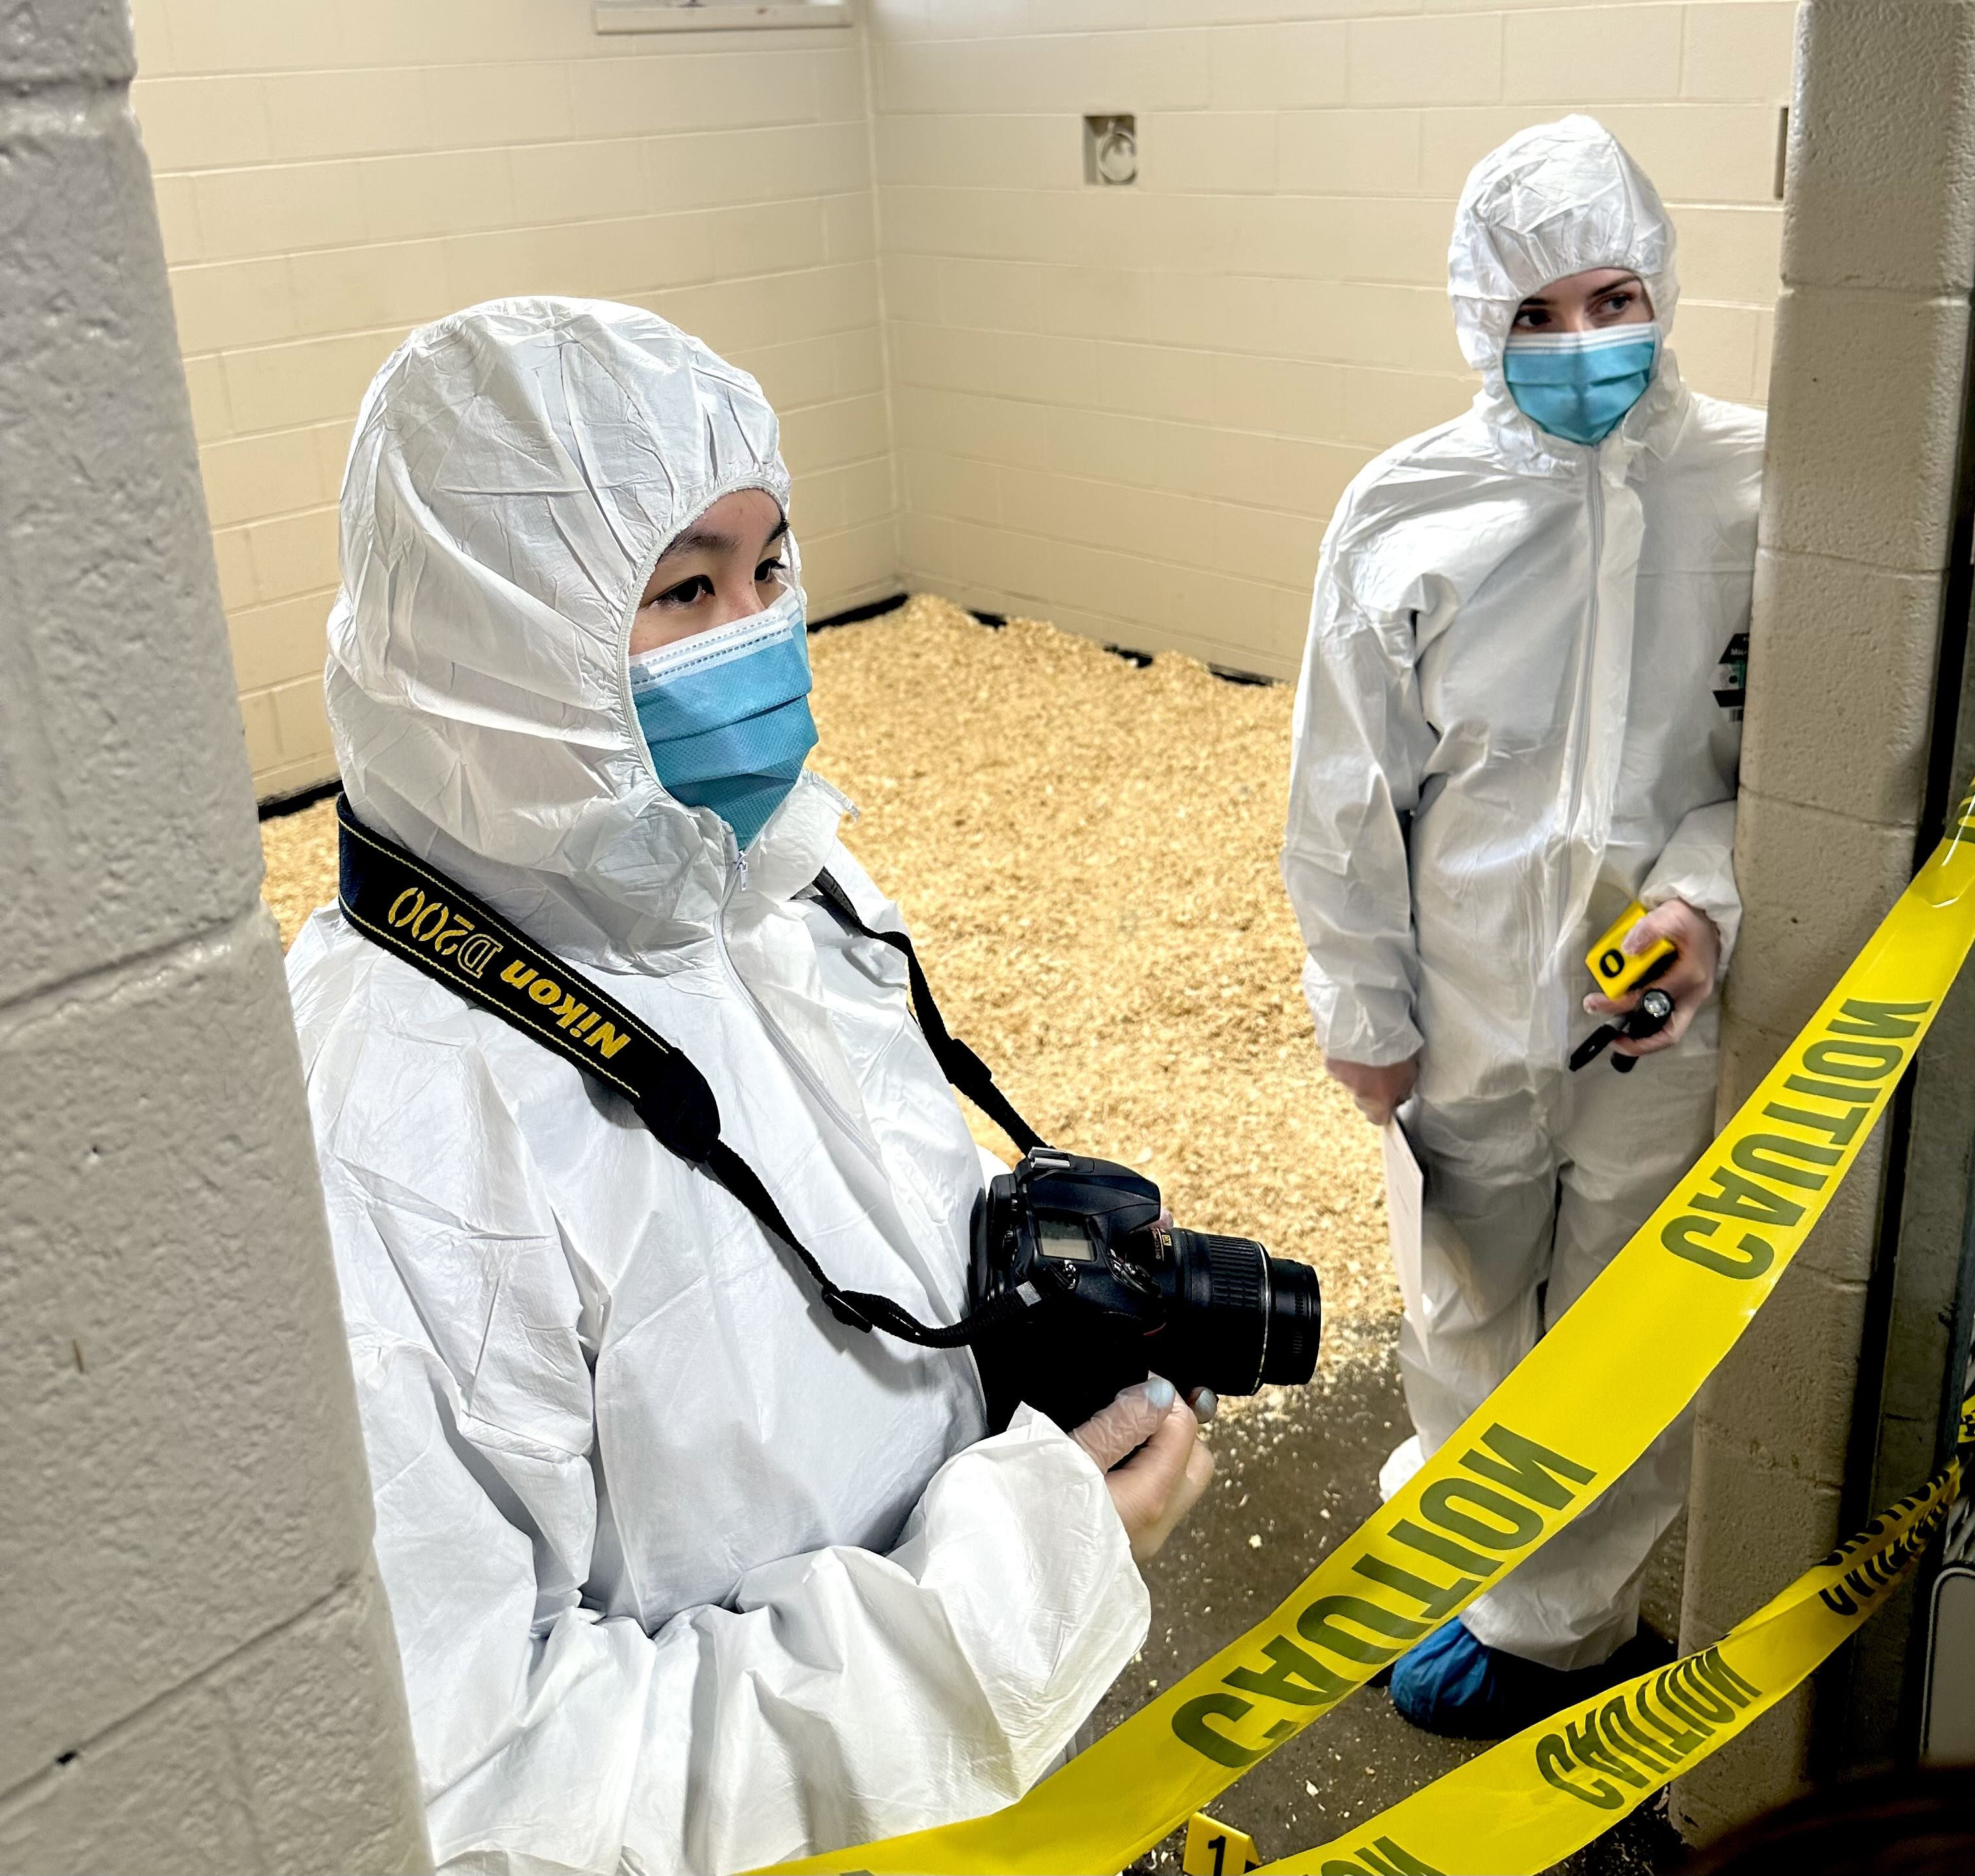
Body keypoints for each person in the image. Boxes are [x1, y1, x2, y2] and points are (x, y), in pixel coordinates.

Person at [287, 297, 1212, 1873]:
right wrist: (995, 1613)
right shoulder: (389, 1132)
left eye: (770, 568)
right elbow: (481, 1791)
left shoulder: (766, 884)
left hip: (972, 1793)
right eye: (683, 590)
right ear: (493, 644)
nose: (761, 637)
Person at [1281, 118, 1762, 1737]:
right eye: (1535, 314)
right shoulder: (1409, 507)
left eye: (1613, 298)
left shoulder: (1758, 488)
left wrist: (1704, 895)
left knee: (1623, 1310)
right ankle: (1459, 1539)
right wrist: (1366, 1011)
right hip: (1469, 996)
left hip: (1661, 1013)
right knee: (1464, 1293)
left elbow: (1803, 764)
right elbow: (1346, 788)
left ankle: (1556, 1632)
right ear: (1479, 320)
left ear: (1664, 287)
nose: (1581, 342)